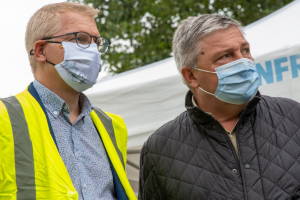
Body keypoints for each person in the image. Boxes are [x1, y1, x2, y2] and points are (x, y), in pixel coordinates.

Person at [138, 14, 300, 200]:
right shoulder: (159, 149)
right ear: (191, 76)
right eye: (226, 56)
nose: (244, 62)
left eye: (245, 50)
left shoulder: (293, 116)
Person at [0, 2, 136, 200]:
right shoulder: (5, 118)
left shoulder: (113, 126)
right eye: (80, 39)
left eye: (97, 43)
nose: (93, 51)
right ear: (40, 51)